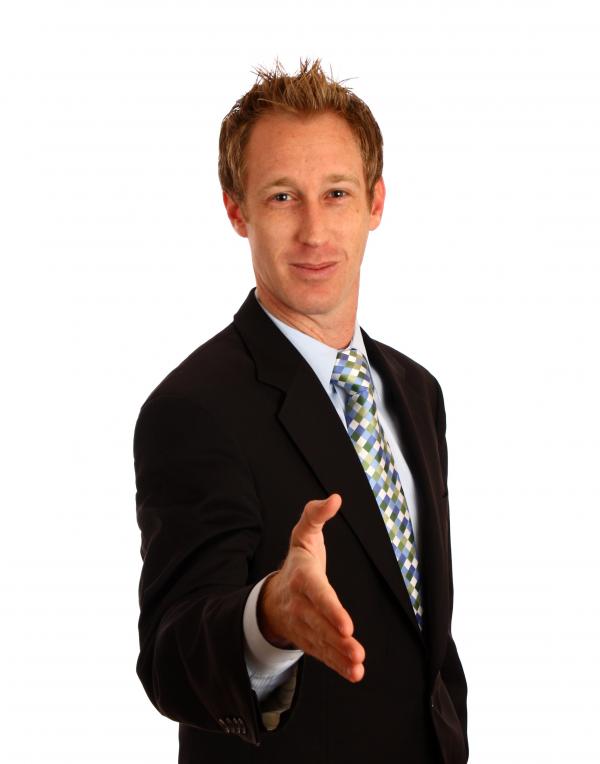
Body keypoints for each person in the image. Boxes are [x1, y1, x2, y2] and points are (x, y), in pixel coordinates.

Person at [134, 60, 468, 763]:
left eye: (336, 193)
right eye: (283, 196)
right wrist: (269, 618)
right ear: (238, 211)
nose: (315, 231)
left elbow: (418, 624)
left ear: (375, 203)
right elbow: (170, 653)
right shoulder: (192, 409)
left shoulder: (417, 390)